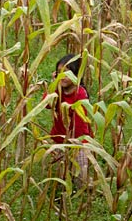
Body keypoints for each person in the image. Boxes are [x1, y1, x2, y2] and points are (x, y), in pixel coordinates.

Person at [46, 53, 93, 184]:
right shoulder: (57, 90)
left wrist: (75, 144)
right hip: (59, 139)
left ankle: (86, 194)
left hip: (78, 143)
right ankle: (62, 198)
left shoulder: (80, 94)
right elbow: (47, 104)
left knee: (81, 177)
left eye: (67, 73)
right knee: (60, 177)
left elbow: (80, 125)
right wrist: (53, 85)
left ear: (76, 75)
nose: (63, 76)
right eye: (59, 72)